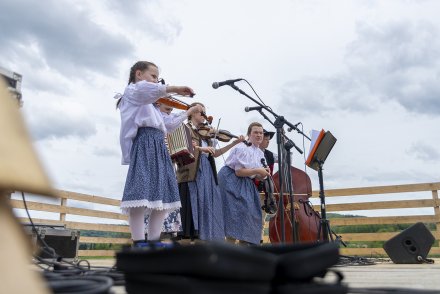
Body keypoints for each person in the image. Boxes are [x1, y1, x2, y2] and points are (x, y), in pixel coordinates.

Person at [116, 60, 202, 245]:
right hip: (145, 143)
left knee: (162, 198)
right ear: (139, 74)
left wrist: (189, 112)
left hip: (159, 146)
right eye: (153, 76)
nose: (156, 81)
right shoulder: (132, 91)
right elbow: (145, 90)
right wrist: (175, 88)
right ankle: (138, 241)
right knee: (140, 196)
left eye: (158, 78)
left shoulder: (152, 107)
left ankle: (153, 242)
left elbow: (168, 125)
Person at [177, 102, 245, 242]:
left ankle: (205, 238)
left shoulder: (206, 134)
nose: (204, 115)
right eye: (200, 112)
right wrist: (202, 149)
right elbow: (182, 147)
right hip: (192, 171)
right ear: (191, 113)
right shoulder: (184, 128)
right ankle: (190, 237)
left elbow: (215, 153)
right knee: (194, 202)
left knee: (208, 204)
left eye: (204, 112)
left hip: (207, 171)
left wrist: (233, 143)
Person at [218, 122, 271, 245]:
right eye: (255, 132)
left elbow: (255, 175)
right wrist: (258, 170)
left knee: (251, 214)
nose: (259, 135)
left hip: (245, 181)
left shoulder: (260, 153)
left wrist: (263, 174)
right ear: (249, 134)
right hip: (230, 179)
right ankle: (229, 249)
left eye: (261, 133)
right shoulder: (242, 147)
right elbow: (239, 171)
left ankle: (244, 248)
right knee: (233, 214)